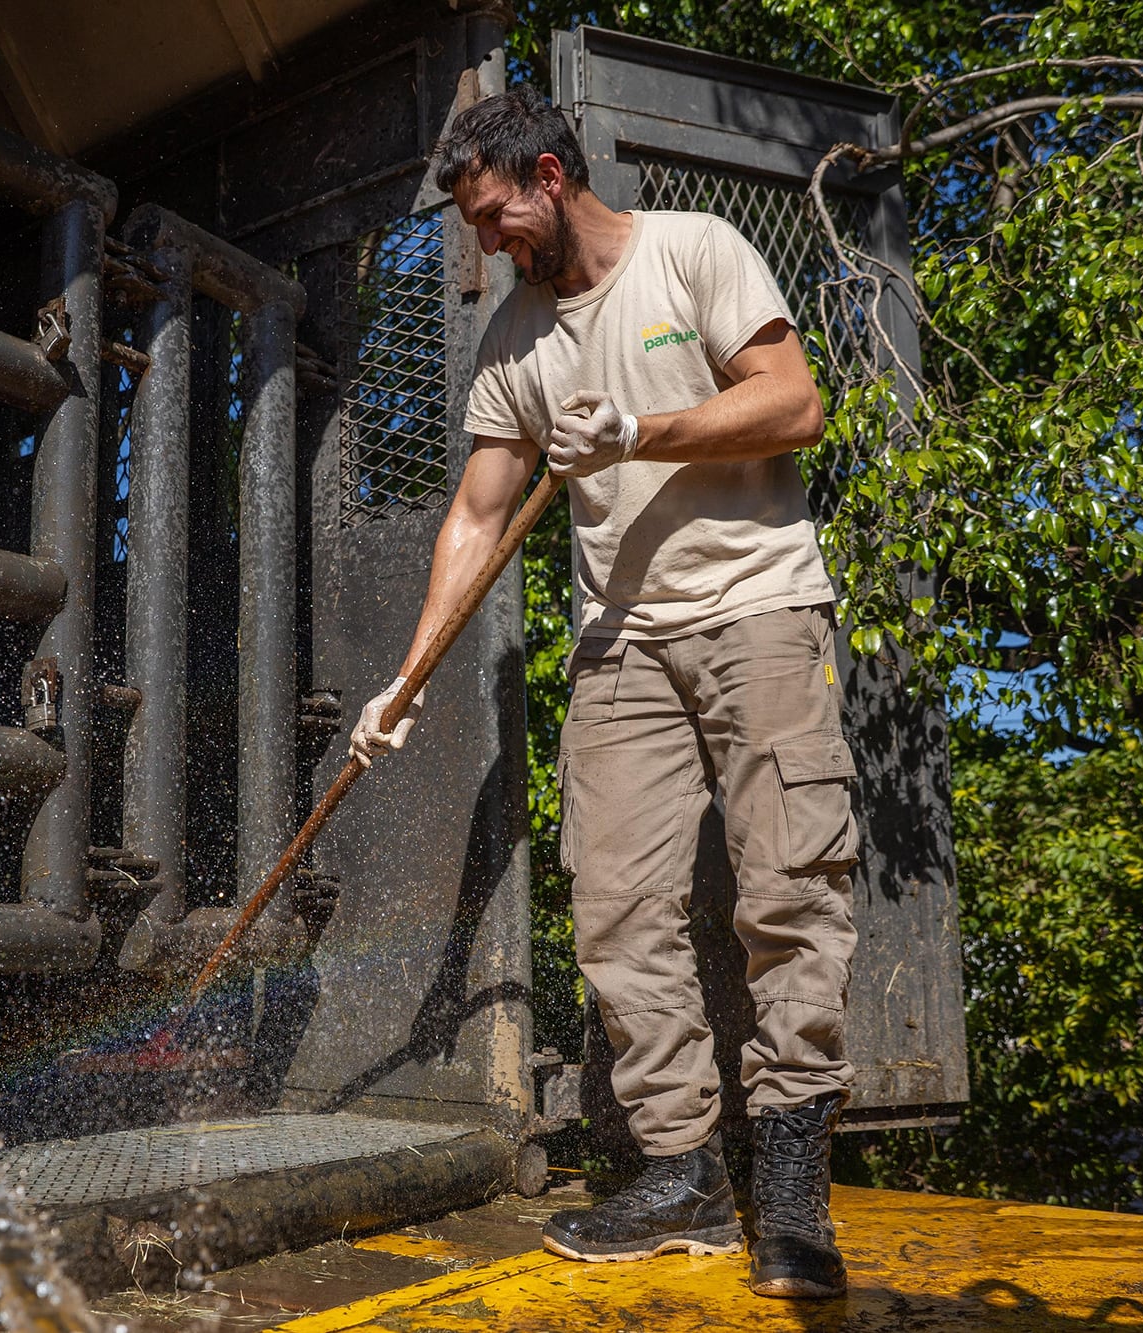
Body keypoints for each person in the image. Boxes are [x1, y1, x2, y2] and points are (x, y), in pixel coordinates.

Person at [349, 88, 860, 1300]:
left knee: (788, 890)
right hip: (617, 648)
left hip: (758, 613)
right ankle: (682, 1176)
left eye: (490, 216)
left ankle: (790, 1195)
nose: (485, 244)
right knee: (619, 910)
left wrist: (638, 427)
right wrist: (407, 677)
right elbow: (478, 515)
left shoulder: (692, 251)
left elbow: (794, 404)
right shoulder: (512, 339)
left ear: (544, 173)